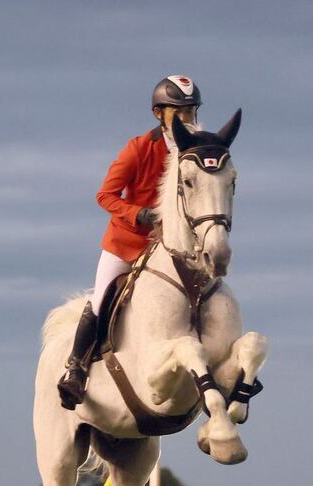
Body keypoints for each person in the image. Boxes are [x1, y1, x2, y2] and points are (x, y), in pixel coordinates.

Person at [57, 75, 202, 410]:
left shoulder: (195, 150)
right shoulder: (138, 148)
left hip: (173, 248)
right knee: (101, 298)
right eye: (178, 113)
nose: (186, 120)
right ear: (159, 114)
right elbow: (105, 195)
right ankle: (76, 369)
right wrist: (140, 214)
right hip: (127, 244)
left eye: (190, 112)